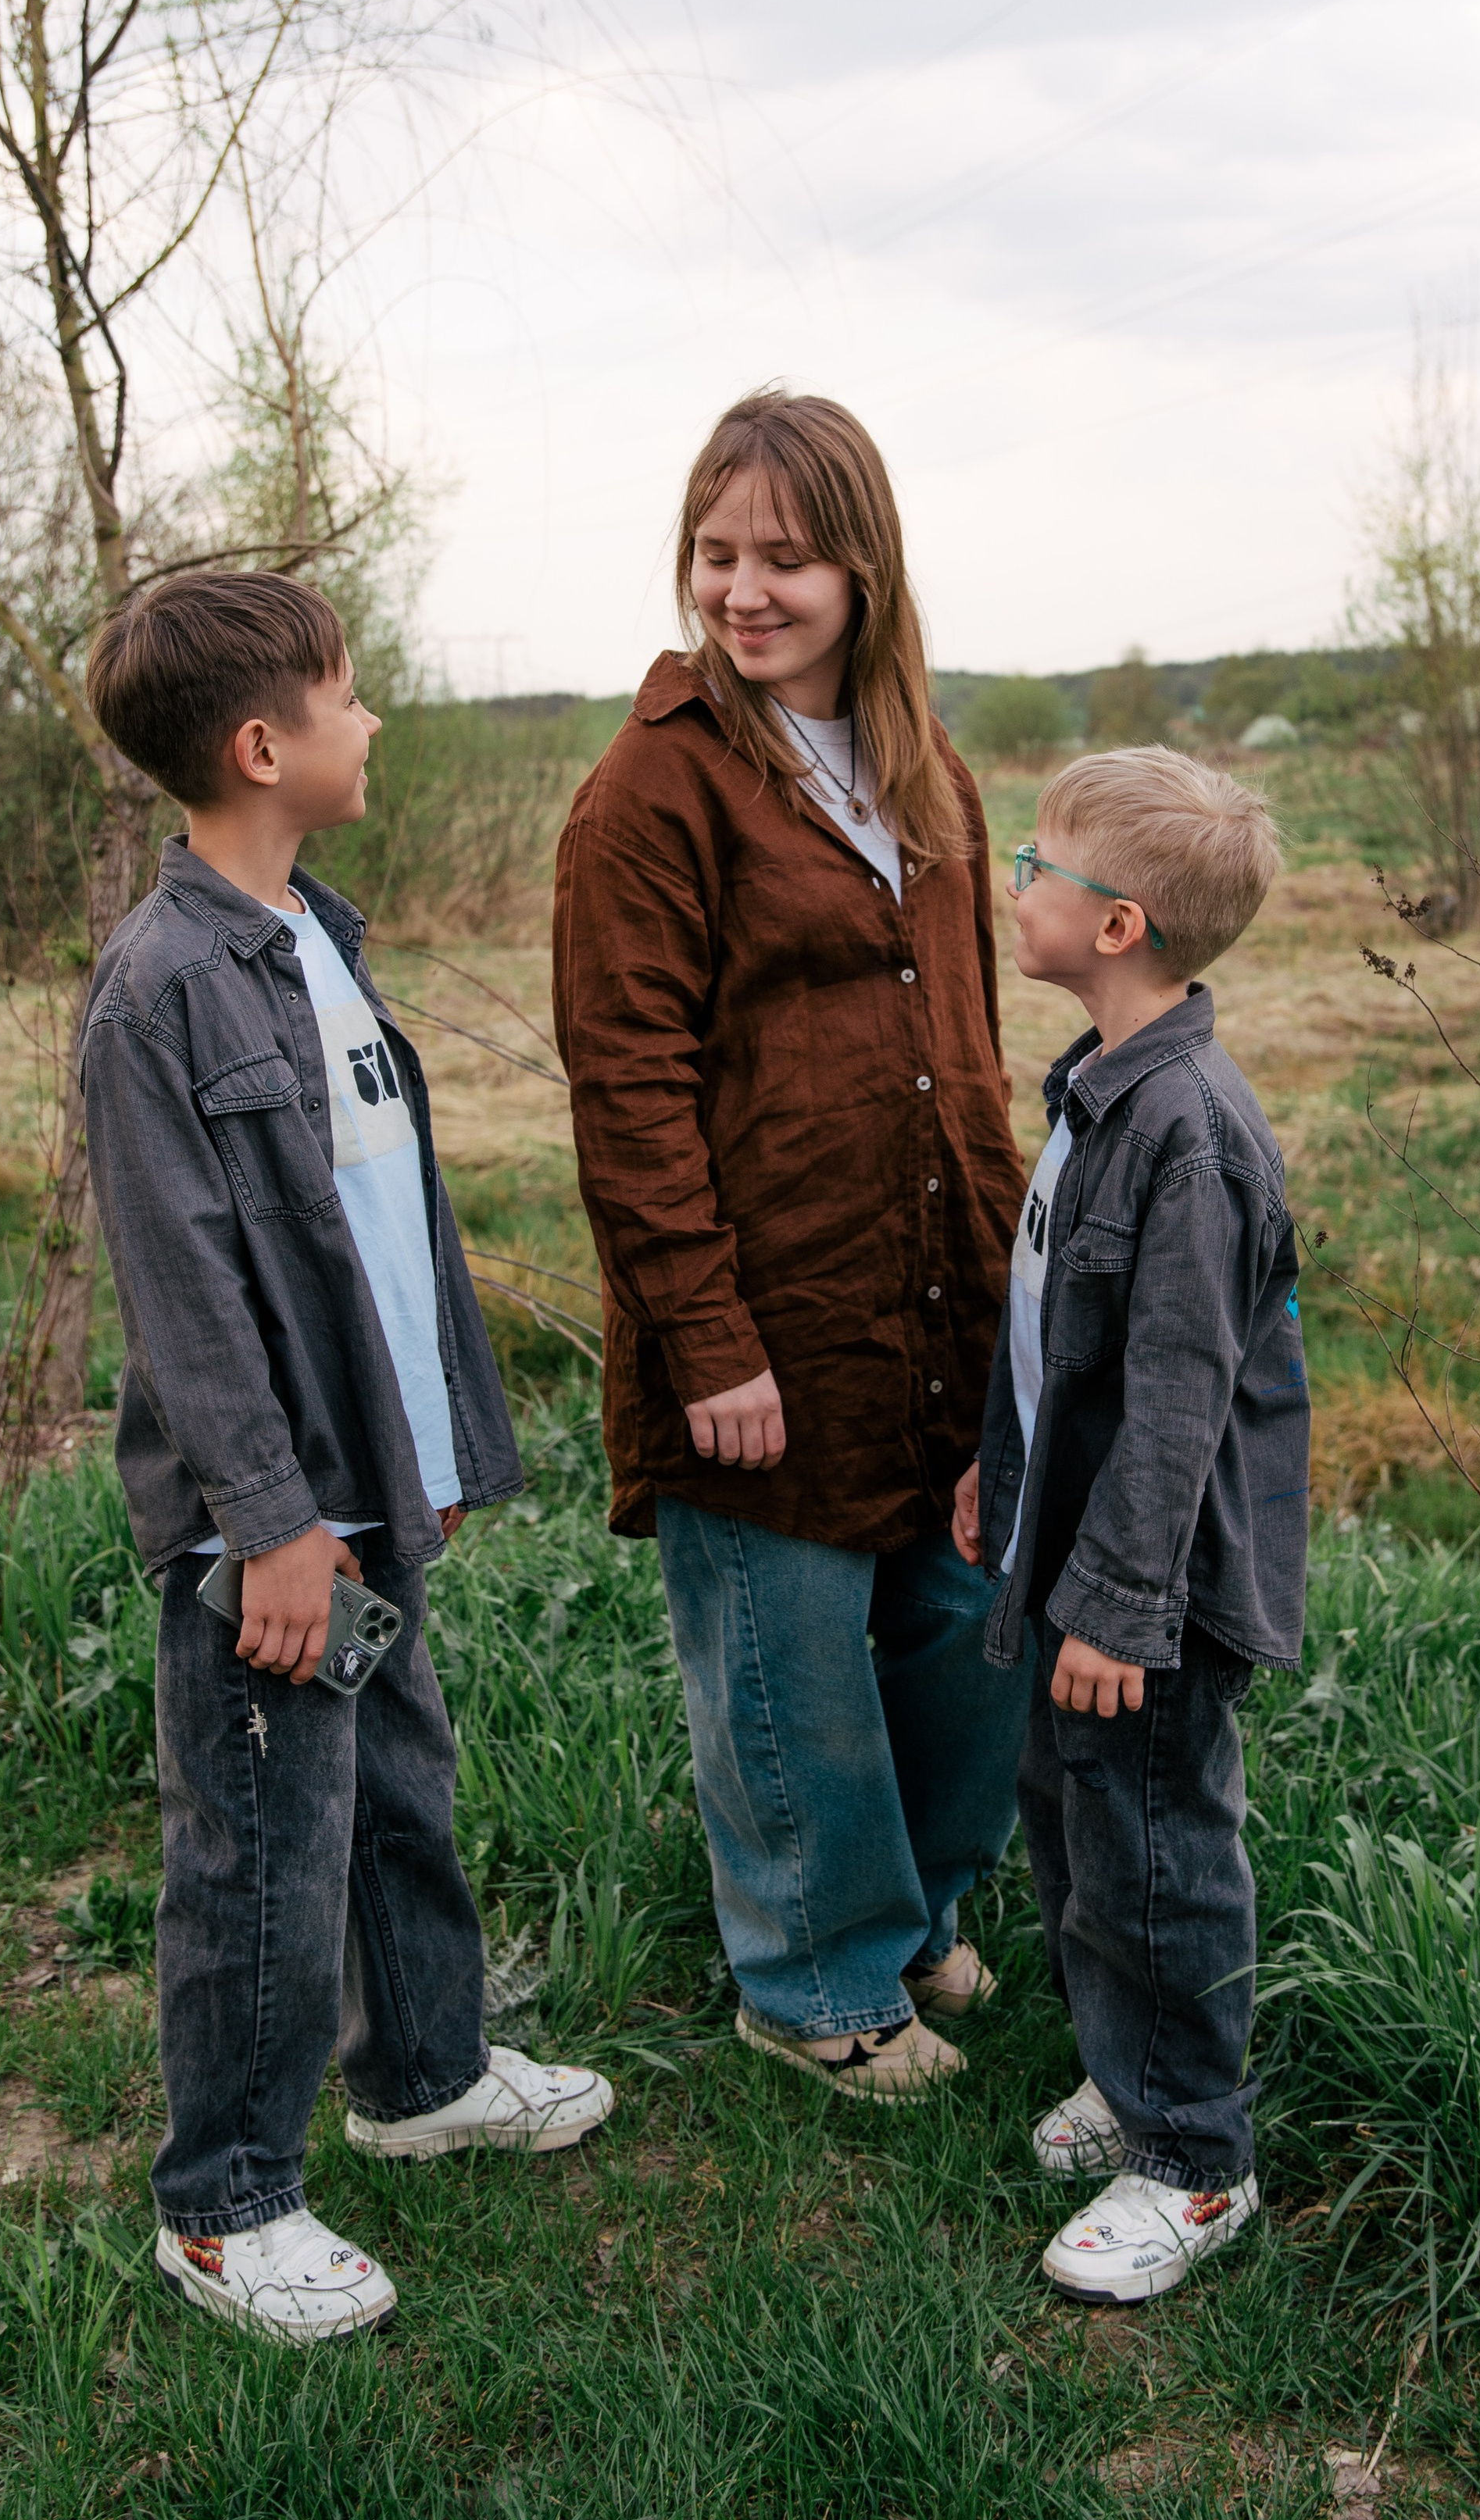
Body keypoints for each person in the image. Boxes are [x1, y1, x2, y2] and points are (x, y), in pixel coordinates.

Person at [80, 571, 614, 2344]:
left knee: (396, 1783)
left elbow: (380, 1225)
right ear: (263, 744)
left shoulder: (315, 934)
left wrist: (425, 1444)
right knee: (260, 1845)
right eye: (348, 693)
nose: (371, 717)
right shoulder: (157, 993)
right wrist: (276, 1520)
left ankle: (424, 2075)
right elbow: (186, 1295)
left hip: (369, 1480)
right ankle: (227, 2205)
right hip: (275, 1520)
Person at [552, 391, 1031, 2101]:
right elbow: (627, 1089)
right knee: (795, 1663)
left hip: (937, 1297)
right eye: (714, 553)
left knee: (968, 1626)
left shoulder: (926, 770)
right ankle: (814, 1982)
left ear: (861, 569)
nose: (741, 591)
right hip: (765, 1313)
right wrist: (708, 1340)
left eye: (783, 558)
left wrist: (1014, 1301)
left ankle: (913, 1914)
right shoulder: (653, 791)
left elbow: (971, 1051)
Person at [951, 745, 1310, 2301]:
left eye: (1038, 863)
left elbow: (1174, 1402)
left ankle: (1192, 2157)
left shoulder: (1190, 1134)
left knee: (1156, 1847)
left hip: (1147, 1583)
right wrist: (1003, 1470)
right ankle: (1129, 2067)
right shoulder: (1097, 1090)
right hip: (1078, 1545)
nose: (1014, 883)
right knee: (1080, 1822)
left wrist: (1111, 1606)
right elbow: (1052, 1328)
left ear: (1117, 926)